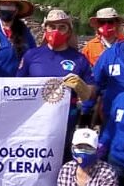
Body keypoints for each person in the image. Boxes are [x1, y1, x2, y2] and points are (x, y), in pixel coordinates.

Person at [18, 9, 93, 156]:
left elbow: (91, 92)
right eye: (52, 27)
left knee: (62, 156)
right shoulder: (31, 55)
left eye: (61, 27)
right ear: (45, 29)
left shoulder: (79, 59)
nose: (56, 31)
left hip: (66, 121)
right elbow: (17, 86)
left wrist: (82, 87)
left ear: (69, 31)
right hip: (35, 121)